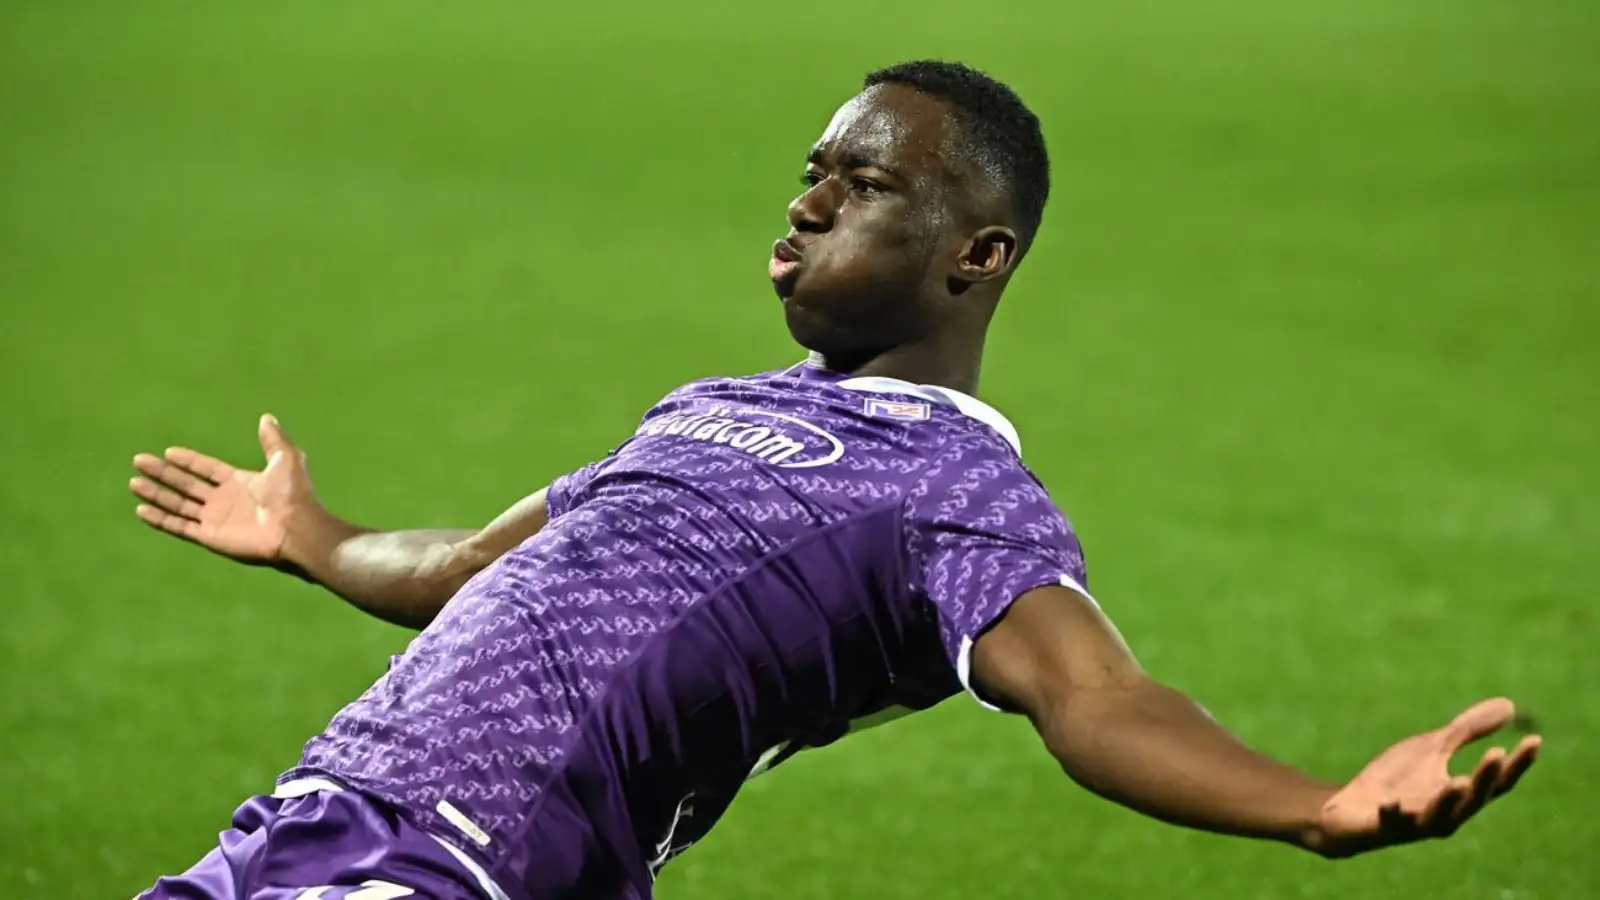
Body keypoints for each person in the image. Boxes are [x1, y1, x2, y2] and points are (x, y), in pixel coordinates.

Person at [128, 61, 1539, 900]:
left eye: (861, 186)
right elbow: (455, 578)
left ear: (975, 255)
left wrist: (1313, 804)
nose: (805, 201)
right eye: (810, 171)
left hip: (473, 863)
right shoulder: (706, 406)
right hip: (306, 821)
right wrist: (315, 536)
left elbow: (1092, 694)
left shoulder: (955, 494)